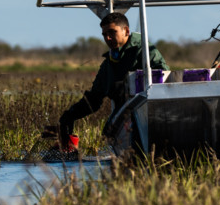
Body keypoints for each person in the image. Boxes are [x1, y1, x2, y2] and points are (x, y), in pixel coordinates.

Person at [57, 11, 168, 148]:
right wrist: (70, 115)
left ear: (126, 31)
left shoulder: (145, 51)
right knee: (110, 134)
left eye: (112, 32)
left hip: (150, 119)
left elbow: (164, 79)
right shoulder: (108, 64)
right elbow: (94, 99)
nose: (108, 38)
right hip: (122, 125)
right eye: (104, 34)